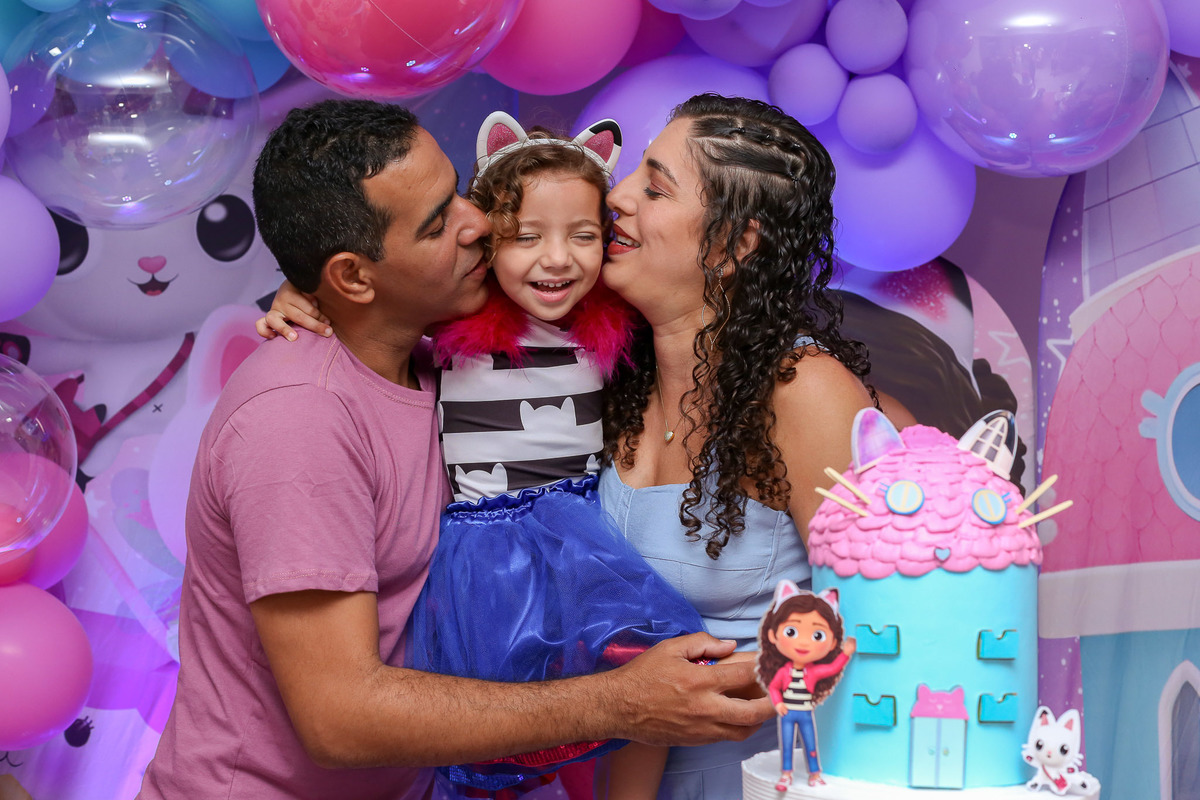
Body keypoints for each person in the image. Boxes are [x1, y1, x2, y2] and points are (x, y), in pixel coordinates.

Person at [136, 99, 771, 800]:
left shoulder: (436, 362)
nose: (480, 223)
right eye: (439, 222)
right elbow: (339, 719)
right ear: (353, 277)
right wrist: (619, 703)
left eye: (460, 194)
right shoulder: (298, 419)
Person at [264, 110, 704, 798]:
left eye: (583, 235)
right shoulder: (457, 316)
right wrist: (302, 294)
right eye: (525, 237)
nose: (556, 259)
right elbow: (370, 296)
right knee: (499, 707)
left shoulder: (613, 314)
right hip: (487, 545)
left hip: (581, 530)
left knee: (652, 664)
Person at [597, 93, 913, 798]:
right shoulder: (619, 373)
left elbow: (884, 636)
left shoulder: (802, 391)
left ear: (734, 245)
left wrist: (734, 685)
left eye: (655, 188)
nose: (616, 196)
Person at [755, 581, 855, 789]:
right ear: (773, 634)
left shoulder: (814, 672)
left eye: (817, 635)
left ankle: (814, 774)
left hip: (806, 713)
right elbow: (773, 687)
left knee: (810, 743)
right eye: (791, 631)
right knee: (787, 744)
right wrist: (778, 702)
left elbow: (833, 668)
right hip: (787, 713)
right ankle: (786, 774)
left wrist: (845, 653)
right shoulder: (783, 671)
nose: (803, 643)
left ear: (832, 643)